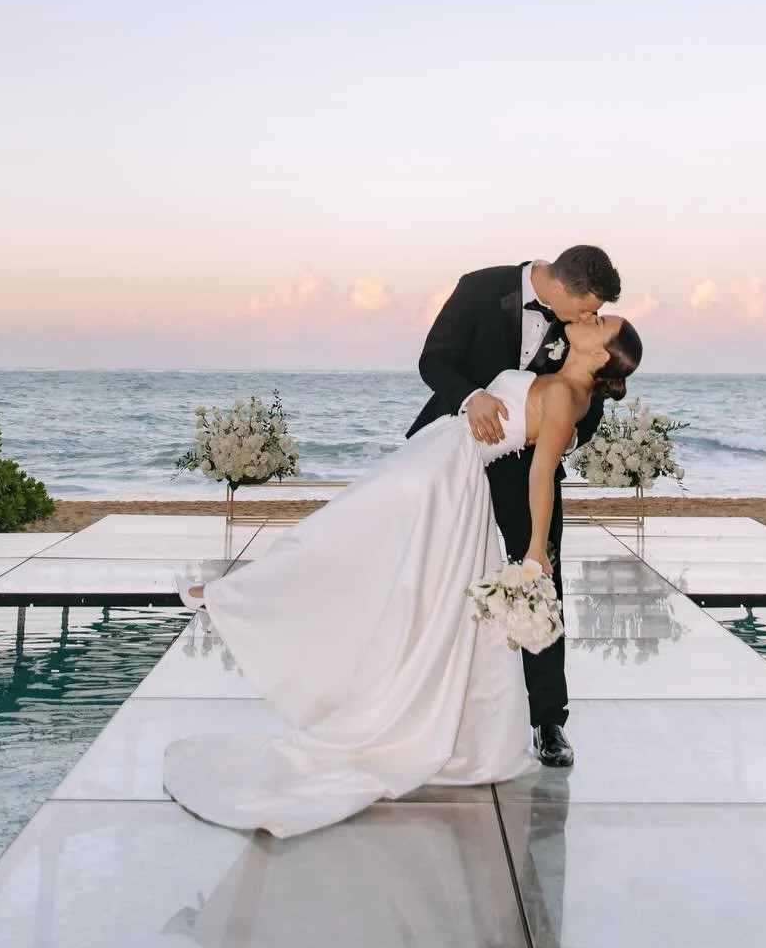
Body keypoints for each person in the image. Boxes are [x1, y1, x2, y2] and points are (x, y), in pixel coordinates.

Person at [163, 312, 642, 838]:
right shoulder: (562, 377)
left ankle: (235, 595)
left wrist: (534, 550)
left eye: (601, 322)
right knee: (373, 552)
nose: (590, 317)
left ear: (600, 356)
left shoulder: (568, 396)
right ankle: (249, 599)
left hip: (446, 473)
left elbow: (541, 472)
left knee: (340, 529)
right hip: (445, 453)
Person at [409, 246, 621, 767]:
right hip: (457, 445)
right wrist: (472, 395)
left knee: (540, 576)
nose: (588, 319)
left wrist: (559, 438)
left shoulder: (584, 335)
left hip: (530, 465)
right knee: (424, 569)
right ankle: (418, 694)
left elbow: (589, 395)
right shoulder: (480, 286)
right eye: (586, 308)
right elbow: (433, 359)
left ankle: (549, 719)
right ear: (560, 291)